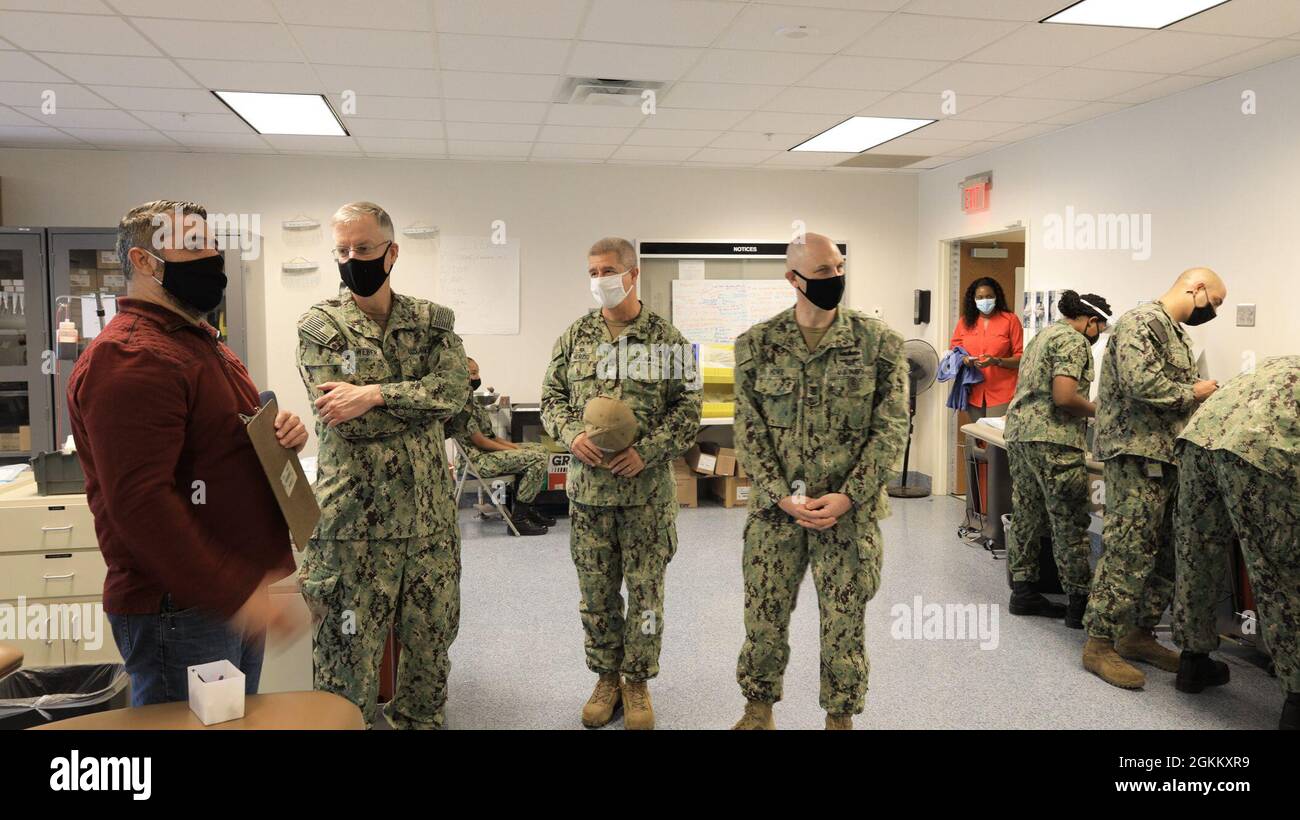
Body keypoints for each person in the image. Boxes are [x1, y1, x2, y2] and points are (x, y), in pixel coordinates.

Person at [67, 199, 307, 705]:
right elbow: (141, 504)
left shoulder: (198, 343)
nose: (213, 254)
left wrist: (279, 432)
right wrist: (234, 591)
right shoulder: (133, 356)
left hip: (225, 595)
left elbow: (222, 439)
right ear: (144, 262)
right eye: (194, 244)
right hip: (182, 606)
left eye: (213, 242)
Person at [295, 201, 469, 728]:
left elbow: (456, 394)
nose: (353, 259)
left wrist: (372, 392)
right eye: (343, 250)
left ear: (392, 252)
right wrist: (416, 405)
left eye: (364, 248)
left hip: (429, 525)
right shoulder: (320, 326)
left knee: (429, 657)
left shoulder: (432, 320)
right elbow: (347, 422)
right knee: (346, 670)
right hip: (354, 529)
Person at [731, 233, 909, 730]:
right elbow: (749, 433)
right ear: (793, 279)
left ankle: (839, 717)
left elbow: (891, 428)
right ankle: (758, 709)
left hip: (847, 517)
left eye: (838, 267)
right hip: (776, 517)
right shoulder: (757, 346)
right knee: (763, 618)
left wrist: (850, 496)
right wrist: (779, 496)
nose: (836, 278)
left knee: (844, 623)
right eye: (824, 272)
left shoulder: (880, 345)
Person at [540, 236, 701, 730]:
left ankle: (637, 682)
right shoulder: (574, 338)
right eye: (591, 271)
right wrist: (570, 434)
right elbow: (551, 400)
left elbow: (689, 411)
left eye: (607, 270)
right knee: (596, 594)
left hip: (644, 497)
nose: (598, 280)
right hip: (589, 497)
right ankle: (606, 676)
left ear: (632, 275)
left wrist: (647, 452)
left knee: (646, 593)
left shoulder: (668, 341)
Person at [1082, 268, 1224, 690]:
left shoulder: (1176, 333)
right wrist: (1193, 392)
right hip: (1136, 453)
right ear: (1195, 288)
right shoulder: (1141, 322)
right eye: (1213, 303)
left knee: (1162, 551)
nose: (1212, 311)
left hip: (1166, 454)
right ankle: (1099, 642)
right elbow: (1140, 381)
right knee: (1129, 547)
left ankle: (1138, 633)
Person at [1171, 356, 1299, 730]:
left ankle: (1192, 662)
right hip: (1258, 448)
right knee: (1281, 569)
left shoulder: (1278, 363)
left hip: (1200, 437)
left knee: (1197, 552)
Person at [1003, 290, 1111, 628]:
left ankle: (1023, 592)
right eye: (1100, 329)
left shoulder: (1044, 335)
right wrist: (1101, 412)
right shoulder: (1074, 342)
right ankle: (1079, 603)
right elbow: (1064, 396)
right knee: (1069, 522)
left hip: (1021, 435)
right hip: (1055, 441)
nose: (1098, 336)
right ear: (1091, 321)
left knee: (1026, 514)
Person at [448, 357, 553, 536]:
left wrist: (515, 447)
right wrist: (513, 450)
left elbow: (492, 436)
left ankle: (526, 509)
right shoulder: (461, 406)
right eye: (473, 373)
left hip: (486, 453)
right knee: (536, 458)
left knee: (540, 449)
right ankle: (519, 519)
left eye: (478, 372)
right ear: (461, 375)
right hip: (477, 461)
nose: (477, 377)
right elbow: (481, 442)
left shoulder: (471, 401)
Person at [949, 276, 1023, 420]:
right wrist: (964, 360)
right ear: (974, 300)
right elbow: (954, 351)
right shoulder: (964, 322)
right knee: (979, 438)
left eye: (989, 296)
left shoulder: (1010, 320)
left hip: (1003, 392)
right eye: (980, 297)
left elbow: (1021, 357)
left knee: (995, 439)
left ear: (996, 297)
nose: (985, 301)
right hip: (973, 391)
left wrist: (996, 361)